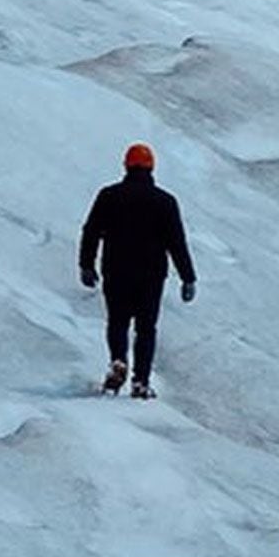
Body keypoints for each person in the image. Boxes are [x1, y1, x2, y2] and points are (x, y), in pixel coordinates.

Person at [79, 142, 197, 399]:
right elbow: (176, 242)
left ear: (126, 166)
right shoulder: (165, 201)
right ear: (151, 167)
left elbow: (91, 231)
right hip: (151, 274)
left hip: (116, 269)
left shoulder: (109, 196)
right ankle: (141, 381)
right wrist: (188, 277)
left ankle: (118, 361)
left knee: (117, 322)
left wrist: (86, 264)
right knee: (146, 328)